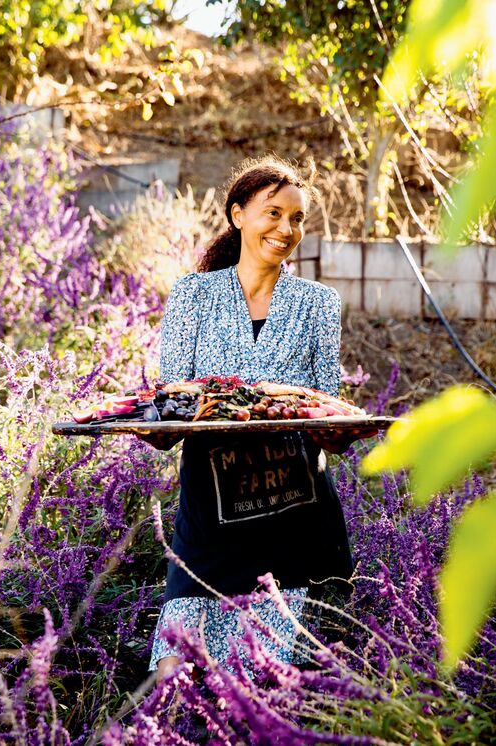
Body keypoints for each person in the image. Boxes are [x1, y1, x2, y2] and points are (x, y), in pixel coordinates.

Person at [146, 155, 375, 683]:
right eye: (273, 213)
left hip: (290, 510)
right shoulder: (193, 296)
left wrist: (345, 430)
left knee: (269, 680)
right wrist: (153, 429)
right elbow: (175, 403)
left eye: (297, 219)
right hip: (210, 511)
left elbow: (322, 409)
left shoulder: (318, 304)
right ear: (237, 215)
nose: (286, 229)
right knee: (174, 673)